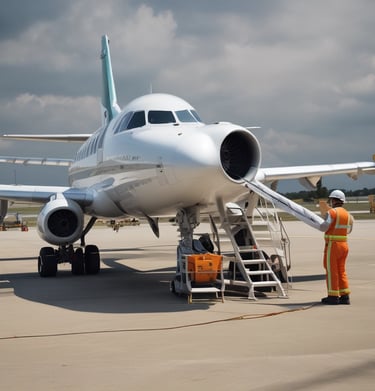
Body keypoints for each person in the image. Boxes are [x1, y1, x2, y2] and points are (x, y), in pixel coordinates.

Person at [318, 190, 353, 305]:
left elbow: (324, 227)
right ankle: (345, 296)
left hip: (333, 246)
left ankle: (333, 296)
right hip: (344, 245)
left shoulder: (332, 212)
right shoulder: (347, 214)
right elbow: (348, 230)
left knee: (331, 270)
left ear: (333, 200)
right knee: (341, 270)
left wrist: (319, 222)